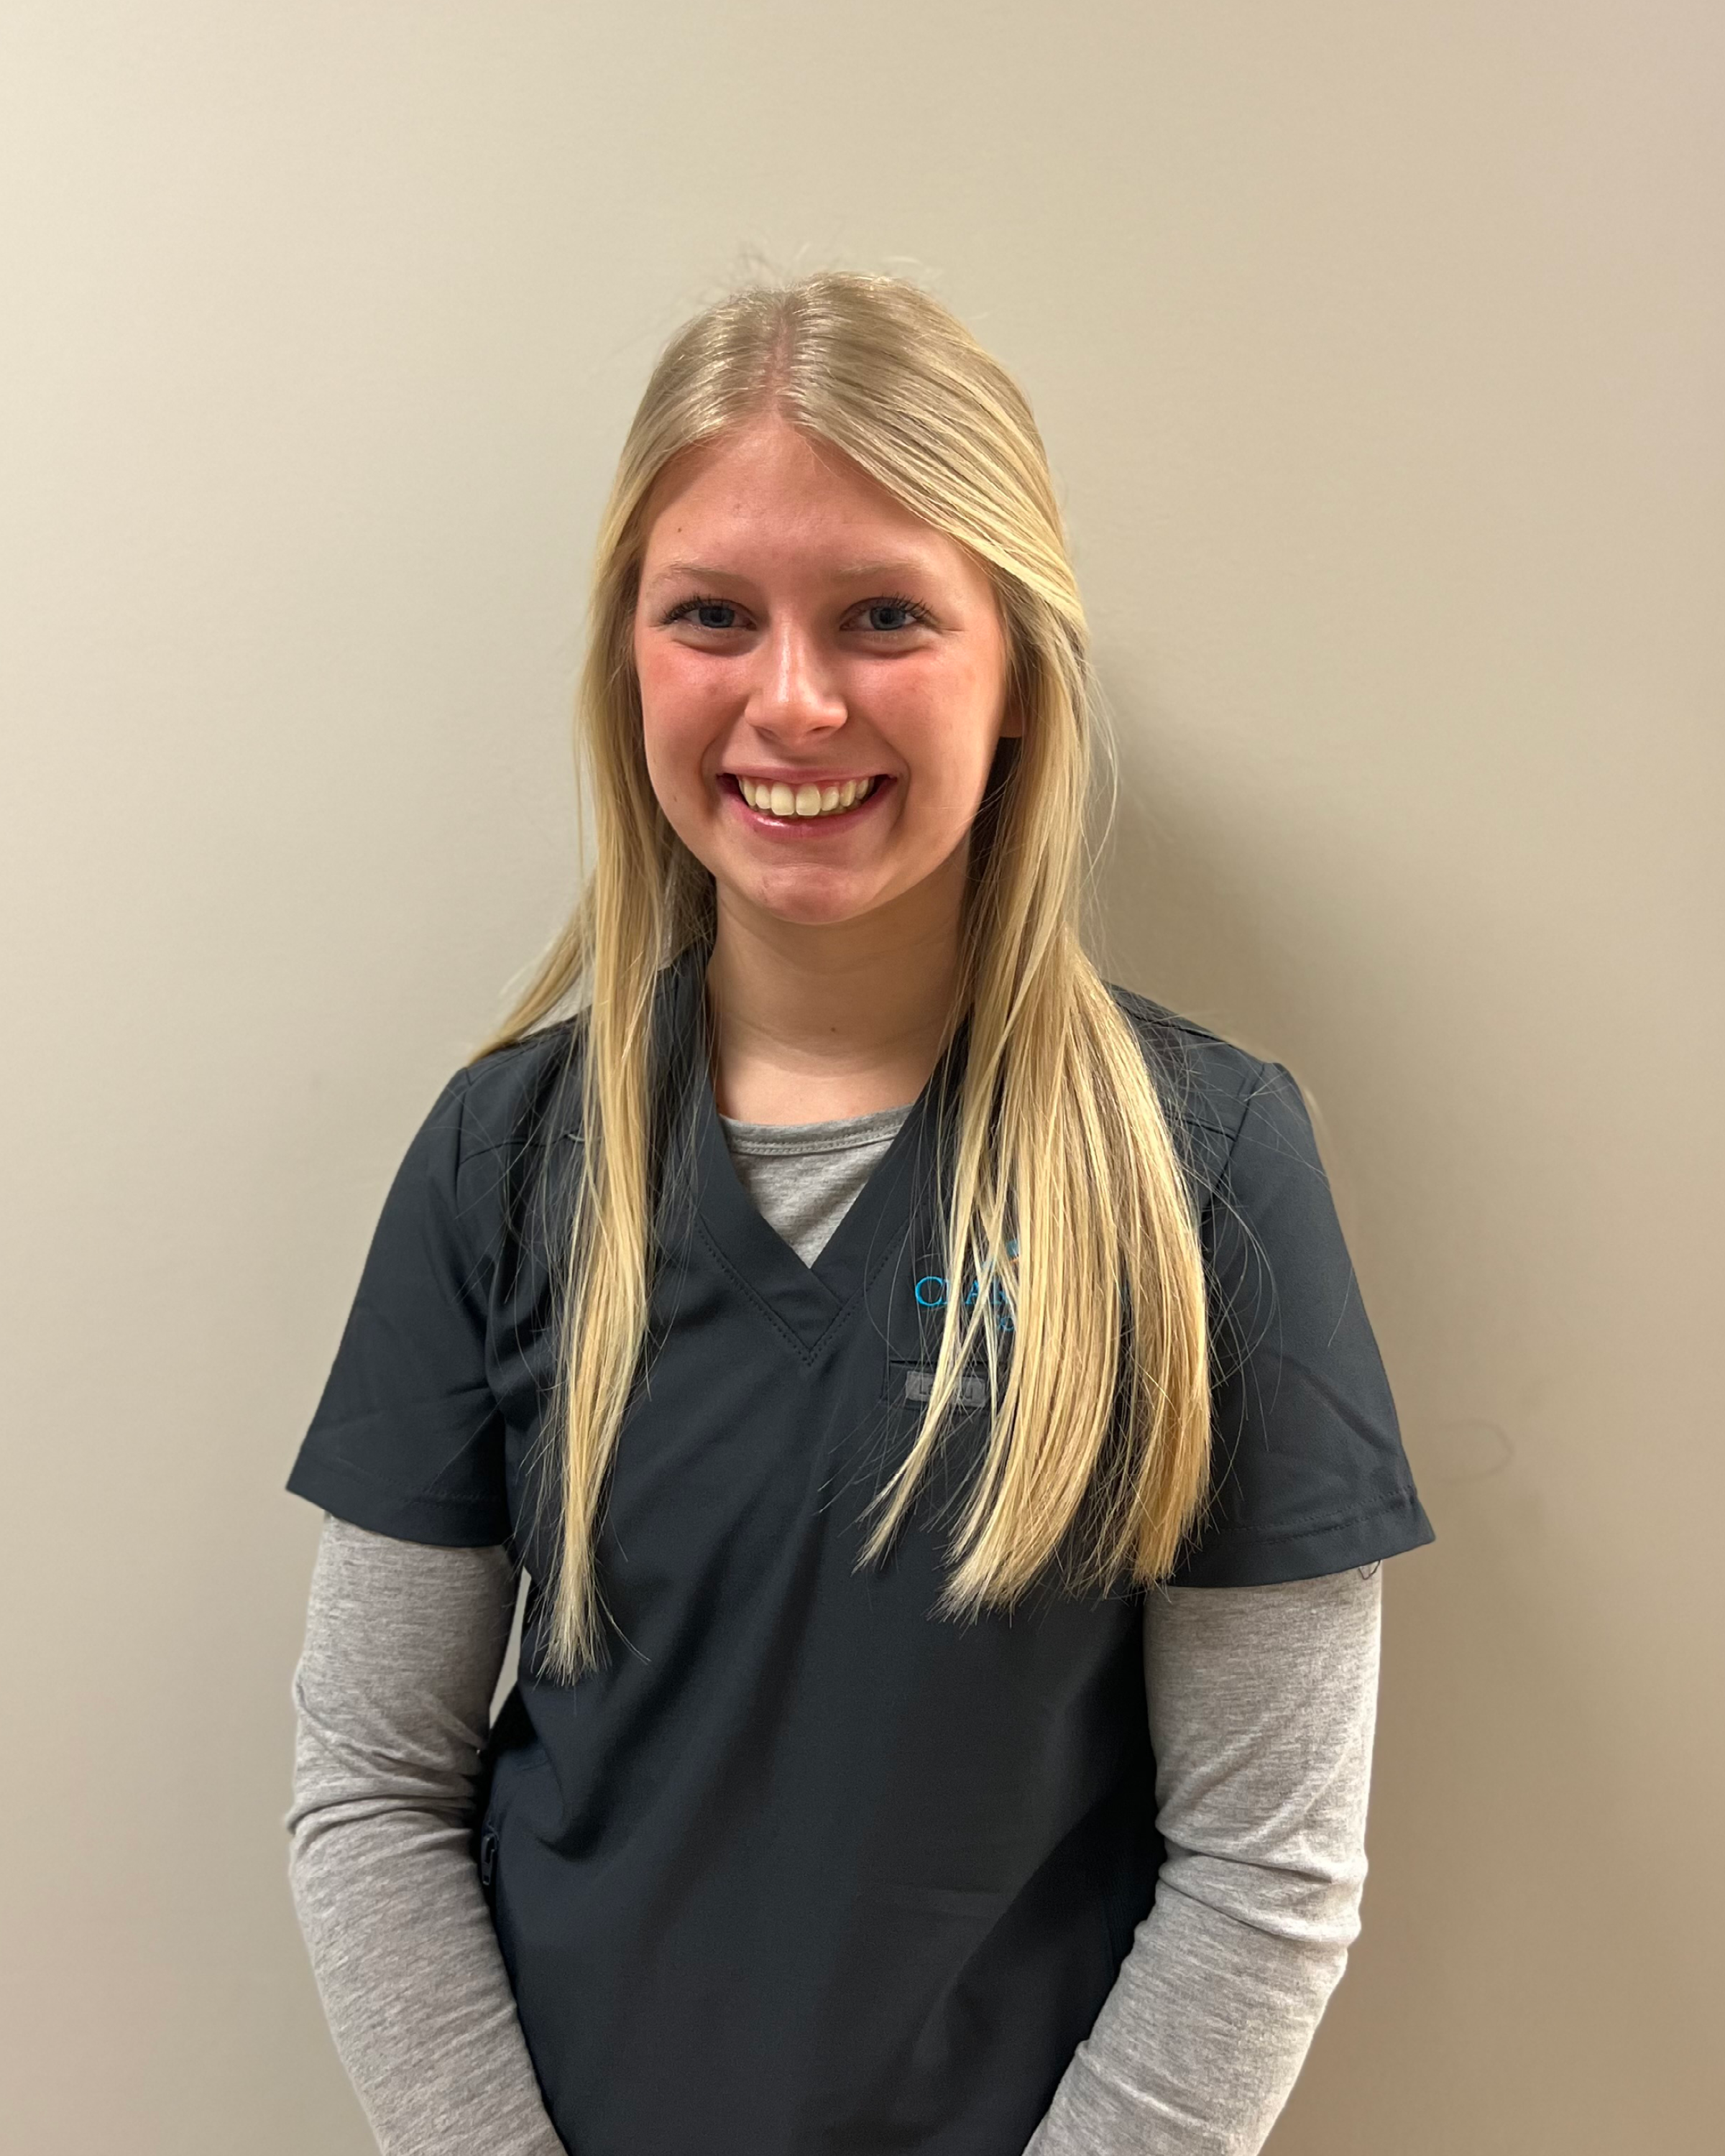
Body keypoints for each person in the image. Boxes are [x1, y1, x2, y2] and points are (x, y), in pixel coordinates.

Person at [284, 268, 1433, 2156]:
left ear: (1020, 671)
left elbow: (1266, 1867)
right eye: (712, 616)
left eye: (886, 615)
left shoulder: (1200, 1168)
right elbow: (370, 1791)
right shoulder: (505, 1160)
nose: (792, 699)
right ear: (629, 659)